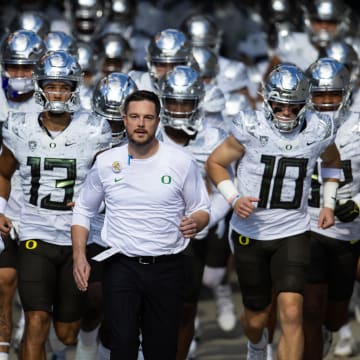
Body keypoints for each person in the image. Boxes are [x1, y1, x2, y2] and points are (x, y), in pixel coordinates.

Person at [206, 63, 341, 360]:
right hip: (250, 233)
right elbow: (215, 163)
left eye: (294, 107)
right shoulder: (250, 126)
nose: (286, 112)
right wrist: (233, 198)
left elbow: (333, 162)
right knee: (256, 319)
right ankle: (256, 347)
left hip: (293, 231)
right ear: (267, 100)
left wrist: (328, 204)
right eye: (280, 105)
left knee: (292, 311)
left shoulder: (318, 130)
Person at [72, 90, 210, 360]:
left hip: (167, 267)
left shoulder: (181, 162)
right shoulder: (106, 163)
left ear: (159, 121)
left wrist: (195, 222)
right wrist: (79, 256)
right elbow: (83, 210)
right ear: (124, 119)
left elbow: (201, 208)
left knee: (161, 350)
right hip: (121, 265)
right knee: (122, 345)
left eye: (148, 117)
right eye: (134, 117)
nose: (141, 124)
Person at [0, 50, 112, 360]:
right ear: (40, 87)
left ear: (75, 88)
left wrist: (96, 202)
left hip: (77, 237)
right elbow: (3, 171)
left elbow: (109, 180)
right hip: (35, 233)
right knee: (37, 319)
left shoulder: (93, 129)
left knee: (67, 332)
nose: (58, 93)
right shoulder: (19, 127)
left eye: (64, 86)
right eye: (52, 86)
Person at [303, 57, 359, 359]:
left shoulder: (358, 126)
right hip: (308, 224)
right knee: (310, 308)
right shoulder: (298, 124)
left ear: (346, 94)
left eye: (332, 95)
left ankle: (330, 331)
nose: (325, 102)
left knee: (336, 314)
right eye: (319, 95)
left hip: (348, 228)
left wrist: (359, 203)